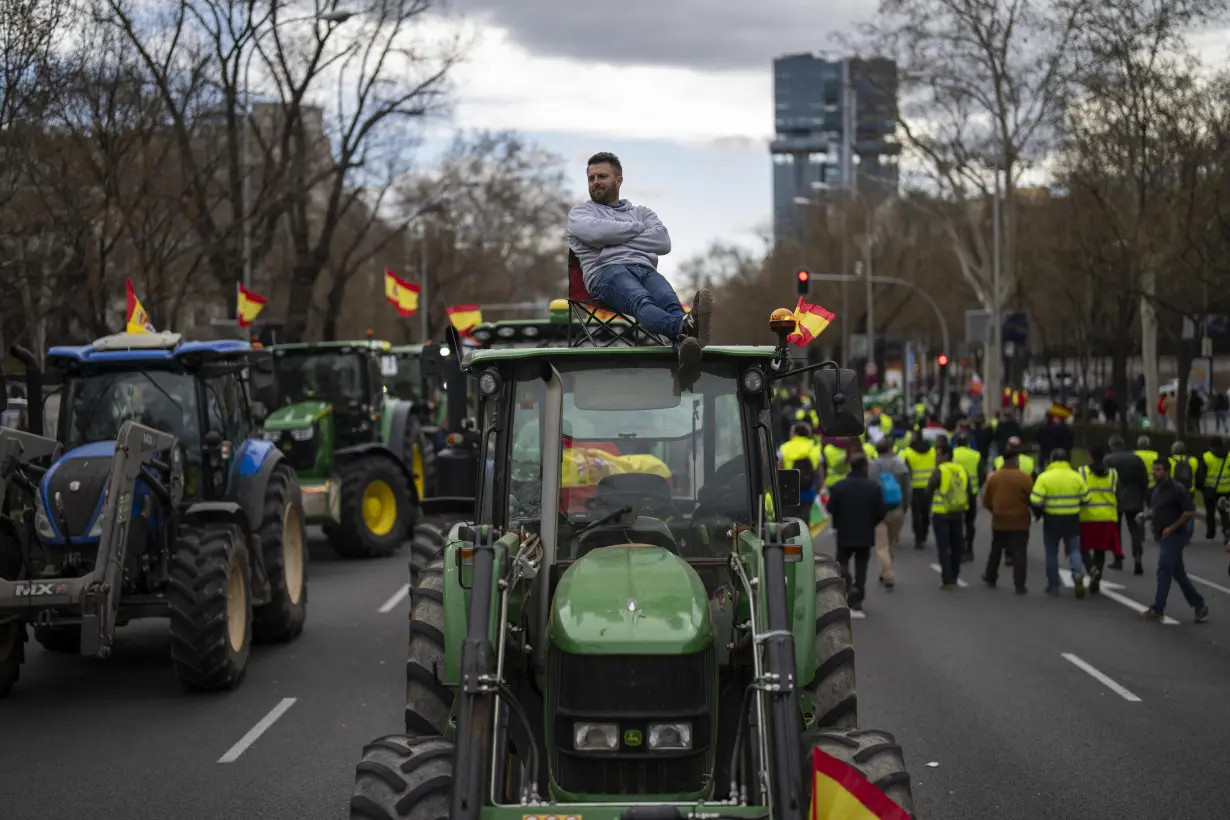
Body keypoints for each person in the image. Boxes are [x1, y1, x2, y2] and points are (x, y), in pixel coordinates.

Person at [567, 152, 712, 381]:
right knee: (641, 300)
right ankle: (683, 328)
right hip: (605, 272)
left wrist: (611, 240)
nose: (595, 182)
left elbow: (663, 241)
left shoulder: (642, 212)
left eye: (602, 176)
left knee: (671, 304)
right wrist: (637, 229)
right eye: (591, 178)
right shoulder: (580, 213)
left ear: (619, 180)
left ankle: (685, 351)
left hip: (645, 269)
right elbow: (595, 232)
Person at [1143, 460, 1209, 623]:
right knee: (1178, 573)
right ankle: (1199, 605)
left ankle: (1158, 608)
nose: (1154, 473)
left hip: (1175, 535)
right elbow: (1157, 508)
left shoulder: (1178, 490)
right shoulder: (1157, 489)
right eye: (1154, 469)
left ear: (1167, 471)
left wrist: (1171, 528)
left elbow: (1190, 512)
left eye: (1158, 470)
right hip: (1162, 535)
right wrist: (1148, 515)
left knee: (1164, 569)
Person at [825, 451, 887, 611]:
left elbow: (830, 507)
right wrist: (872, 522)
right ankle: (858, 593)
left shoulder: (839, 486)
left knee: (842, 562)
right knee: (862, 566)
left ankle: (848, 584)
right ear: (865, 467)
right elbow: (881, 511)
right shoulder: (873, 487)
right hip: (865, 532)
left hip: (844, 532)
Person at [1029, 447, 1088, 598]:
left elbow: (1035, 500)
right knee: (1074, 550)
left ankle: (1053, 584)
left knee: (1051, 552)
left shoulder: (1044, 477)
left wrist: (1039, 514)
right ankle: (1077, 575)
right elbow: (1086, 498)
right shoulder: (1076, 476)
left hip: (1052, 519)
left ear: (1051, 460)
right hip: (1072, 518)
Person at [981, 446, 1034, 593]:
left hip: (1000, 519)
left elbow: (986, 500)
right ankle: (1020, 584)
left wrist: (995, 510)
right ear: (1015, 460)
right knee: (1019, 552)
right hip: (1020, 520)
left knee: (996, 549)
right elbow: (1032, 499)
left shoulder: (994, 478)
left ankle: (990, 576)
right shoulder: (1025, 478)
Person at [867, 437, 911, 590]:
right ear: (891, 449)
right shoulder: (900, 465)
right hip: (896, 509)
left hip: (878, 511)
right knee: (892, 543)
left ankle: (886, 572)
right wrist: (905, 508)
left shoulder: (871, 467)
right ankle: (887, 572)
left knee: (881, 545)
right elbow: (907, 489)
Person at [1078, 445, 1120, 595]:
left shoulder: (1082, 472)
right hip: (1107, 517)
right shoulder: (1113, 474)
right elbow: (1117, 493)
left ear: (1090, 457)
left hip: (1087, 517)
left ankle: (1091, 569)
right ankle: (1097, 576)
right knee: (1100, 549)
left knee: (1082, 548)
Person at [926, 442, 968, 589]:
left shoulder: (940, 470)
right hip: (958, 512)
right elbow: (967, 489)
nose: (936, 457)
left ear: (945, 455)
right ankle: (955, 576)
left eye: (938, 454)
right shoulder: (961, 469)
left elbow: (929, 489)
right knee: (956, 547)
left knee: (943, 548)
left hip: (942, 513)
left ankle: (947, 578)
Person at [1105, 434, 1149, 575]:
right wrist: (1142, 495)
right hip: (1134, 498)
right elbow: (1144, 479)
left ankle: (1118, 558)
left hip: (1114, 498)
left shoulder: (1108, 460)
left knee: (1115, 531)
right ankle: (1137, 557)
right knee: (1135, 529)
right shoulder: (1136, 458)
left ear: (1111, 446)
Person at [902, 430, 937, 550]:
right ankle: (924, 534)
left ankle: (919, 538)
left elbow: (905, 471)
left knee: (916, 514)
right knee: (926, 513)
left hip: (915, 487)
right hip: (929, 487)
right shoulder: (932, 450)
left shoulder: (908, 452)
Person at [778, 422, 822, 515]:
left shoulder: (784, 447)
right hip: (809, 492)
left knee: (789, 522)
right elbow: (820, 472)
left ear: (794, 433)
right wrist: (817, 489)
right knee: (805, 522)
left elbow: (778, 469)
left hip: (789, 494)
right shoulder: (814, 447)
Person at [952, 432, 983, 563]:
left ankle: (959, 549)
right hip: (972, 493)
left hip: (956, 493)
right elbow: (982, 474)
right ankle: (969, 550)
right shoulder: (976, 455)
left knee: (957, 522)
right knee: (970, 523)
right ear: (968, 443)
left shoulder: (952, 454)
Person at [1196, 436, 1230, 546]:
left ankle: (1210, 534)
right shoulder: (1229, 456)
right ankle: (1227, 531)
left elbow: (1200, 475)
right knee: (1224, 512)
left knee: (1210, 513)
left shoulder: (1206, 457)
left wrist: (1201, 488)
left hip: (1210, 489)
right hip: (1225, 489)